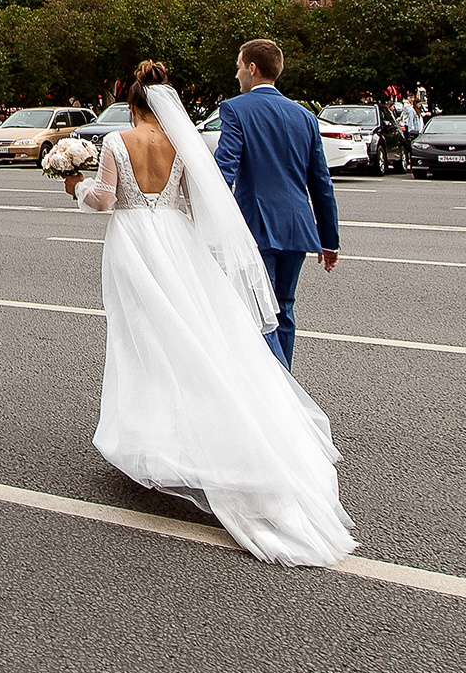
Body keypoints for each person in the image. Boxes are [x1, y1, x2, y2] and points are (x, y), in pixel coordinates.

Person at [59, 58, 355, 566]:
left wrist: (74, 186)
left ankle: (153, 441)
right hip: (177, 242)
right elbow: (197, 206)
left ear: (131, 104)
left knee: (143, 340)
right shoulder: (184, 145)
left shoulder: (116, 143)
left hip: (133, 244)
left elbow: (106, 200)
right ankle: (198, 431)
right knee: (194, 335)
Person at [213, 38, 340, 370]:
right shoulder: (305, 117)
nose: (237, 74)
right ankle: (285, 383)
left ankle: (280, 396)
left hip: (257, 225)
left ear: (252, 69)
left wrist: (209, 215)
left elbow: (225, 169)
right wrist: (330, 241)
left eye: (239, 66)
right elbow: (322, 184)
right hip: (298, 227)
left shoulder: (236, 109)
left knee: (260, 310)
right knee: (284, 306)